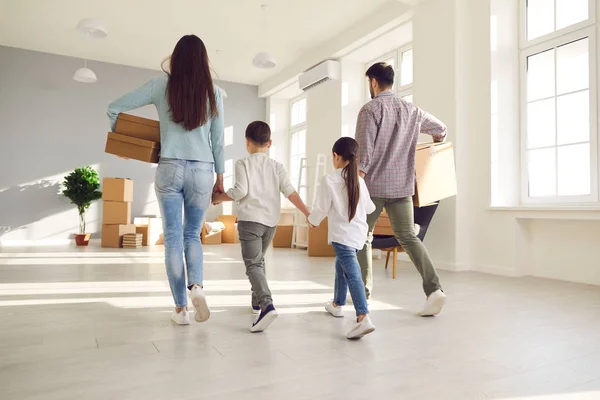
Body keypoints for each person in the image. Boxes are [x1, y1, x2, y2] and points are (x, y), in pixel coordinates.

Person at [107, 35, 223, 325]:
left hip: (169, 167)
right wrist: (220, 178)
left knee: (172, 237)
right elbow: (218, 141)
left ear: (176, 58)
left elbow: (114, 107)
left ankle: (181, 310)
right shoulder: (215, 92)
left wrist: (124, 144)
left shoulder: (160, 86)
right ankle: (196, 286)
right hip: (203, 170)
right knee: (192, 234)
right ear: (204, 60)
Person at [356, 62, 448, 317]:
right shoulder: (412, 110)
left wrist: (352, 187)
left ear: (373, 82)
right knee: (408, 236)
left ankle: (363, 296)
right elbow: (441, 130)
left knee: (362, 236)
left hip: (373, 187)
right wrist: (430, 149)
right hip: (402, 187)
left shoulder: (370, 109)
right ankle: (434, 289)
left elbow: (364, 155)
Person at [212, 121, 310, 332]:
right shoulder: (277, 167)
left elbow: (240, 191)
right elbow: (290, 192)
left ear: (247, 142)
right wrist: (307, 213)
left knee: (253, 265)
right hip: (270, 223)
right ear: (270, 143)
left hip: (250, 221)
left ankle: (267, 304)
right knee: (259, 261)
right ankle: (256, 301)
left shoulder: (243, 163)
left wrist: (219, 197)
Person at [308, 137, 376, 340]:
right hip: (357, 234)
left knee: (352, 272)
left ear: (336, 156)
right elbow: (370, 208)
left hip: (341, 235)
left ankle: (363, 316)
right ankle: (337, 304)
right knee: (342, 266)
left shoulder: (329, 180)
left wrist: (313, 221)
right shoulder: (359, 181)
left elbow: (320, 208)